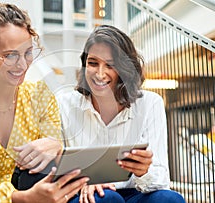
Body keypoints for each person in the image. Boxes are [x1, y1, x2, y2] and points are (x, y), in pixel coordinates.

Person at [0, 3, 89, 203]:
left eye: (28, 53)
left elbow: (50, 164)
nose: (22, 65)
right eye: (10, 55)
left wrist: (57, 148)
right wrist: (22, 198)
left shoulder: (40, 96)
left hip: (32, 190)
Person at [56, 25, 186, 203]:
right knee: (107, 198)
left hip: (136, 192)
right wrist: (80, 184)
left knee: (169, 199)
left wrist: (144, 170)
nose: (100, 74)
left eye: (110, 65)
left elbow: (161, 181)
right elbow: (55, 170)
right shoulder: (64, 104)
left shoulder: (149, 103)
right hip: (86, 195)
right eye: (93, 63)